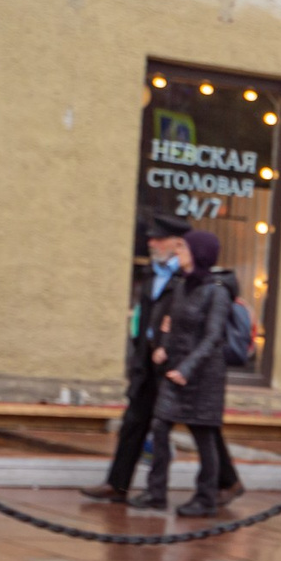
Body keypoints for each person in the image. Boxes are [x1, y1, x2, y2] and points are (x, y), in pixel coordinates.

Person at [83, 213, 191, 506]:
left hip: (172, 361)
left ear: (176, 242)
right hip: (146, 360)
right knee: (134, 421)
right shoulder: (153, 272)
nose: (151, 242)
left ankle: (226, 482)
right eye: (151, 237)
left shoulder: (186, 275)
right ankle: (117, 483)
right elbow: (144, 316)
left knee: (199, 425)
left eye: (158, 238)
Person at [139, 229, 242, 515]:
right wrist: (164, 349)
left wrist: (187, 368)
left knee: (204, 435)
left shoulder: (217, 291)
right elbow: (177, 324)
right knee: (160, 426)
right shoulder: (184, 285)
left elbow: (212, 338)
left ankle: (206, 498)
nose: (178, 252)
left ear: (199, 254)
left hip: (203, 376)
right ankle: (156, 491)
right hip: (177, 371)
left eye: (183, 248)